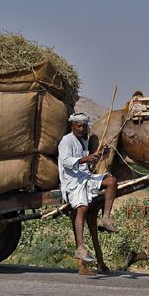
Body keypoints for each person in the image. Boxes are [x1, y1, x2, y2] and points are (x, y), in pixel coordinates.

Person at [58, 112, 118, 263]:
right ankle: (80, 248)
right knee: (82, 208)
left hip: (85, 177)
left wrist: (96, 155)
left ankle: (105, 218)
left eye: (84, 126)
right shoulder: (67, 140)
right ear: (72, 126)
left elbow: (87, 163)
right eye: (78, 126)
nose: (81, 129)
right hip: (72, 181)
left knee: (111, 181)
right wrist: (86, 158)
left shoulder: (83, 142)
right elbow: (66, 162)